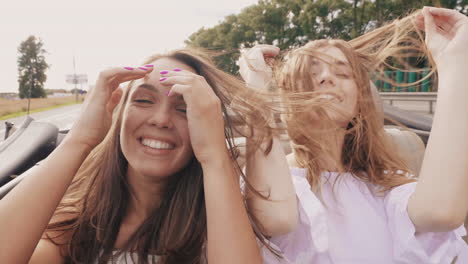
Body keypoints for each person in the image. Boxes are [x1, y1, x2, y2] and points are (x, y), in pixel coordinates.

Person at [0, 48, 286, 263]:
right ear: (120, 114)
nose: (161, 119)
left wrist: (213, 156)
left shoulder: (221, 219)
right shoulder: (78, 217)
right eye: (143, 100)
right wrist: (80, 140)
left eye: (184, 107)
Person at [240, 6, 468, 263]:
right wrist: (256, 89)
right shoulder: (268, 176)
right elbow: (276, 218)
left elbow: (441, 212)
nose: (326, 78)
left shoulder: (386, 188)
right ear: (285, 101)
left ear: (359, 102)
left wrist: (455, 62)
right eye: (311, 73)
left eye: (342, 73)